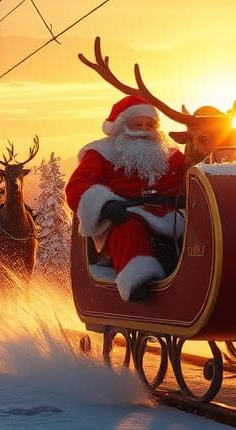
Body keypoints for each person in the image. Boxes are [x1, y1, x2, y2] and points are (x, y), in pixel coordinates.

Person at [65, 94, 187, 302]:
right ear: (121, 127)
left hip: (169, 216)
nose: (144, 130)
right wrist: (105, 205)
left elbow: (192, 177)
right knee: (128, 228)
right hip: (122, 213)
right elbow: (77, 185)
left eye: (150, 125)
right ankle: (138, 279)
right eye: (137, 125)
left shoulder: (171, 156)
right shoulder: (101, 153)